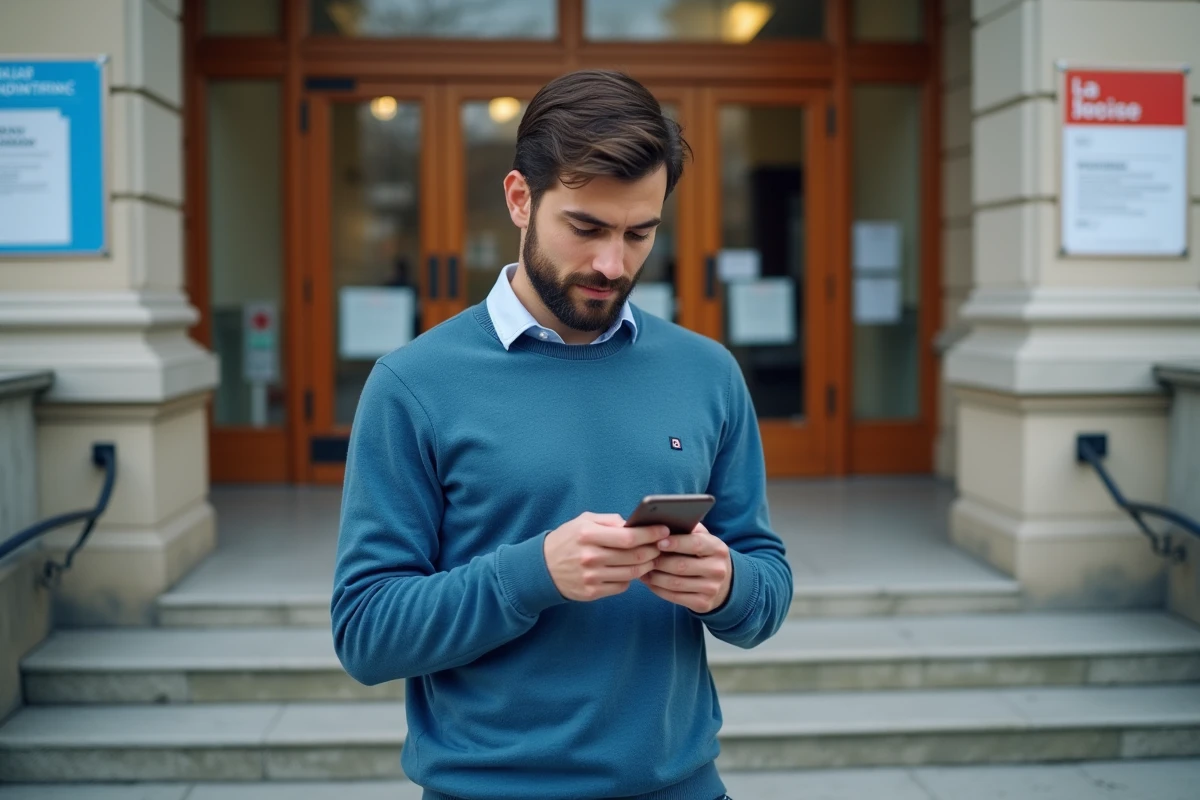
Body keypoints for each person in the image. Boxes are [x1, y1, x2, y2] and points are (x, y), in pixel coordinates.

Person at [332, 69, 793, 800]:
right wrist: (532, 574)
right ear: (520, 198)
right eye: (586, 228)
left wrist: (729, 584)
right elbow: (365, 632)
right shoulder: (413, 385)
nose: (613, 264)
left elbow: (766, 584)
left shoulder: (707, 374)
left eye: (639, 233)